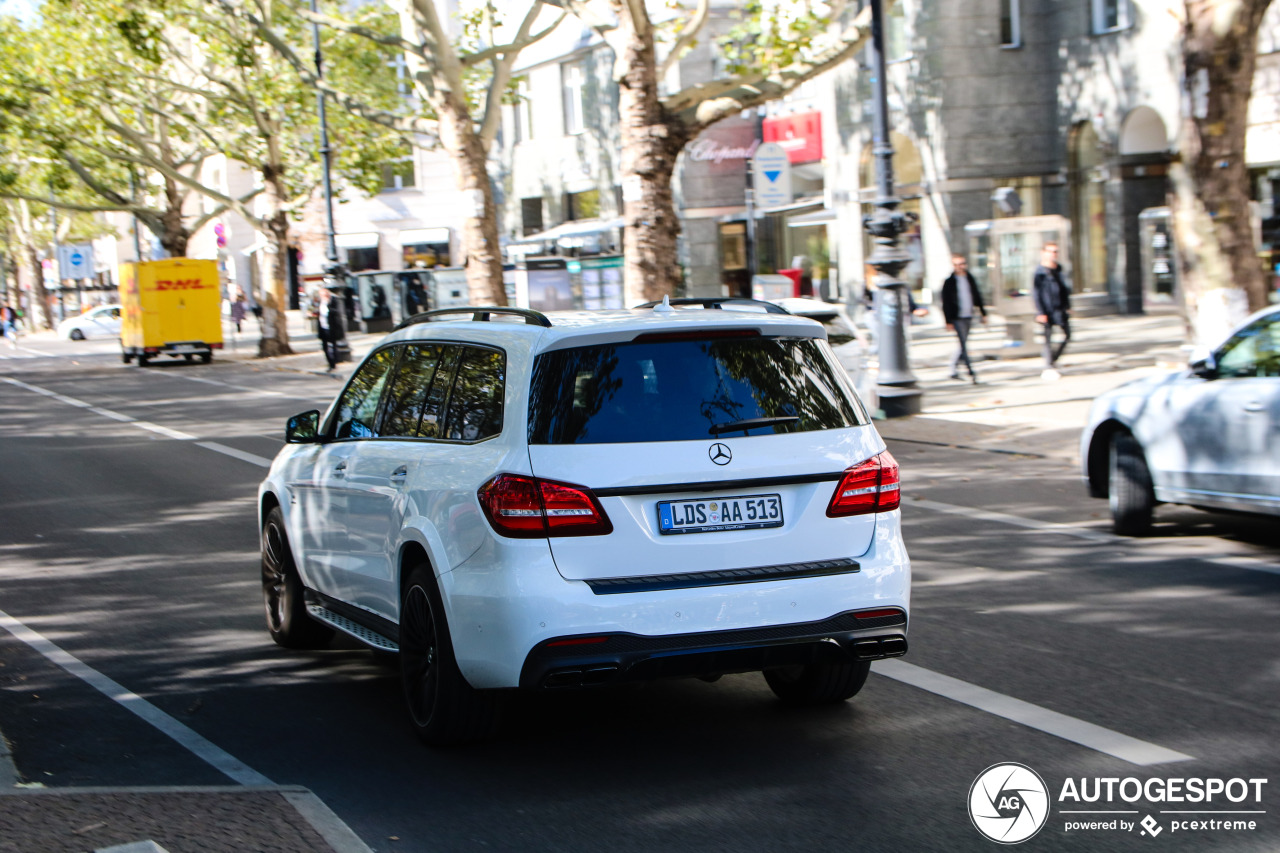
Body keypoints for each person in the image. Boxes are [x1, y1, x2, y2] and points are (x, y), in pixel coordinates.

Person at [941, 254, 987, 383]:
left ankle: (953, 369)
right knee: (963, 344)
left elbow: (977, 296)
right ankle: (970, 371)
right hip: (957, 316)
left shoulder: (969, 279)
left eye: (962, 264)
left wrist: (983, 313)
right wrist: (948, 321)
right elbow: (946, 303)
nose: (960, 267)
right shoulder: (949, 282)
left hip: (968, 315)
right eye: (956, 265)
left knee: (963, 344)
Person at [1032, 242, 1071, 380]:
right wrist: (1040, 312)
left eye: (1056, 251)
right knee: (1047, 339)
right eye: (1051, 251)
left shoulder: (1059, 269)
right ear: (1044, 253)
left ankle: (1053, 359)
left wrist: (1067, 305)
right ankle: (1049, 365)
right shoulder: (1040, 272)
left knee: (1067, 335)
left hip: (1060, 309)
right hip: (1047, 310)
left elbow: (1064, 289)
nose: (1053, 254)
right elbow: (1036, 293)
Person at [315, 287, 343, 373]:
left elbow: (337, 312)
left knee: (333, 345)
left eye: (324, 295)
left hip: (332, 327)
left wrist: (328, 306)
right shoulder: (320, 302)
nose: (323, 296)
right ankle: (330, 363)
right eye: (321, 295)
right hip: (323, 327)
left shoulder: (333, 301)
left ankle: (334, 363)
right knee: (324, 346)